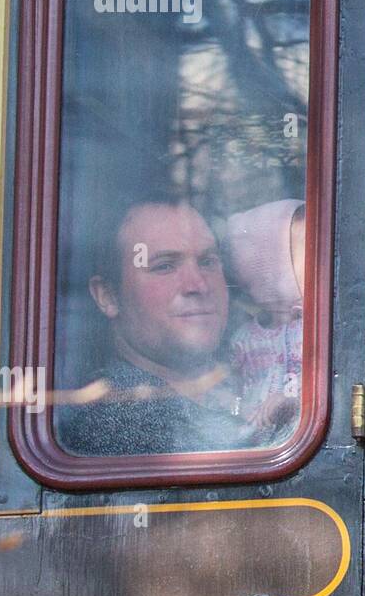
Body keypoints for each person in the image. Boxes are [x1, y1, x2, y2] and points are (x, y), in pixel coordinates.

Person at [57, 195, 253, 456]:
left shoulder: (247, 373)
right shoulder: (118, 422)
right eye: (165, 266)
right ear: (108, 296)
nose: (198, 285)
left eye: (207, 262)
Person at [224, 198, 306, 444]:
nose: (324, 260)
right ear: (273, 267)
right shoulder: (244, 340)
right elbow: (226, 388)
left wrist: (297, 401)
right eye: (307, 250)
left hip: (302, 440)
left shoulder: (318, 329)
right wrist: (237, 408)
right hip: (257, 449)